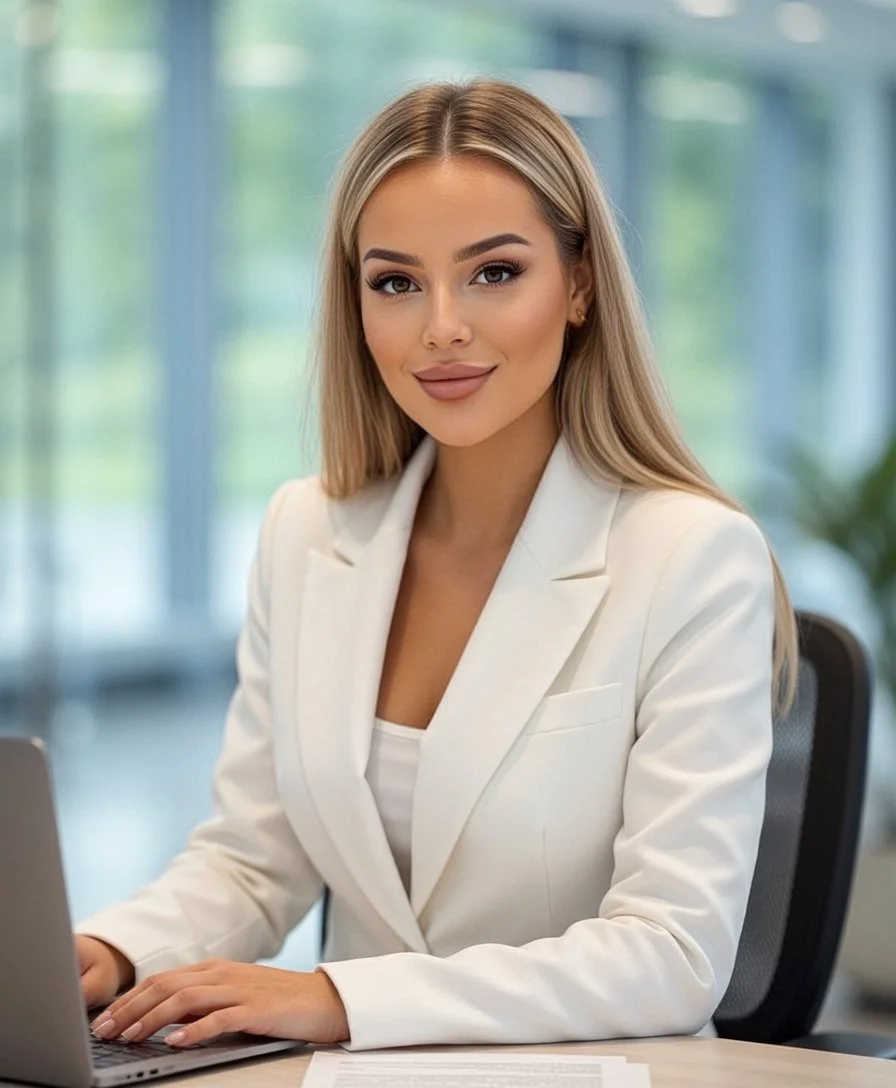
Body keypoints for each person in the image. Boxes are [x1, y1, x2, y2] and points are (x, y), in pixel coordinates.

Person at [75, 77, 798, 1053]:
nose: (440, 326)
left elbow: (667, 951)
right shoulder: (305, 531)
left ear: (578, 283)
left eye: (493, 272)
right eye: (395, 281)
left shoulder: (689, 556)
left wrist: (339, 997)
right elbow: (254, 860)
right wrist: (110, 950)